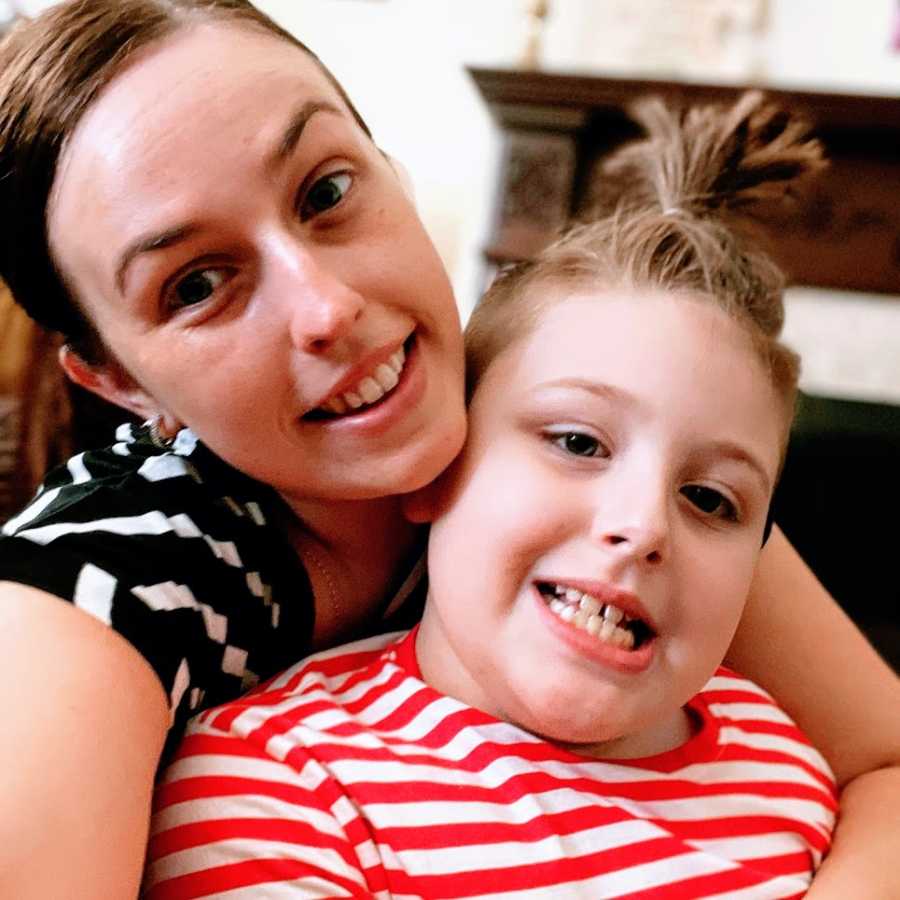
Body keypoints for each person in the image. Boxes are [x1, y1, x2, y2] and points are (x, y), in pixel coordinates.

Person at [0, 2, 895, 897]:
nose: (329, 309)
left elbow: (887, 767)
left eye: (326, 192)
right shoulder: (81, 612)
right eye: (197, 285)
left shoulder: (576, 421)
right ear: (119, 380)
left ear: (386, 165)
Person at [145, 93, 840, 898]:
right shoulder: (280, 782)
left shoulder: (791, 766)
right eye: (578, 442)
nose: (644, 526)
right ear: (441, 464)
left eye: (713, 500)